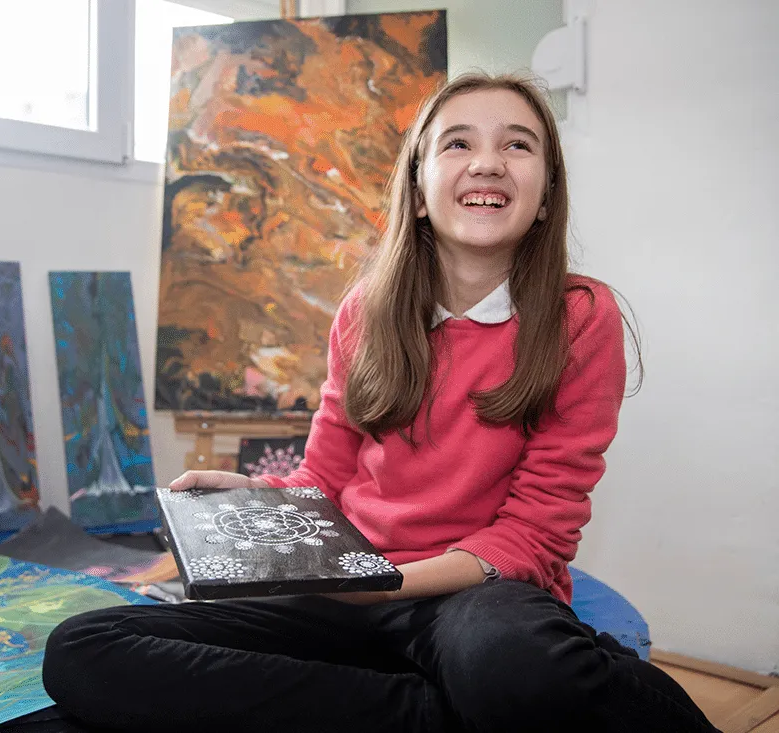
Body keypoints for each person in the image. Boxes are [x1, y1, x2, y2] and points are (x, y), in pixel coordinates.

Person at [41, 73, 719, 733]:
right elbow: (322, 481)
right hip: (347, 591)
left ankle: (466, 695)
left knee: (516, 666)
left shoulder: (579, 315)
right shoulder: (365, 311)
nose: (487, 162)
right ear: (419, 190)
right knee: (84, 650)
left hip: (473, 600)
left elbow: (538, 535)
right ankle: (436, 713)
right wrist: (252, 496)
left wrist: (389, 583)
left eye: (517, 145)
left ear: (545, 195)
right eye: (457, 144)